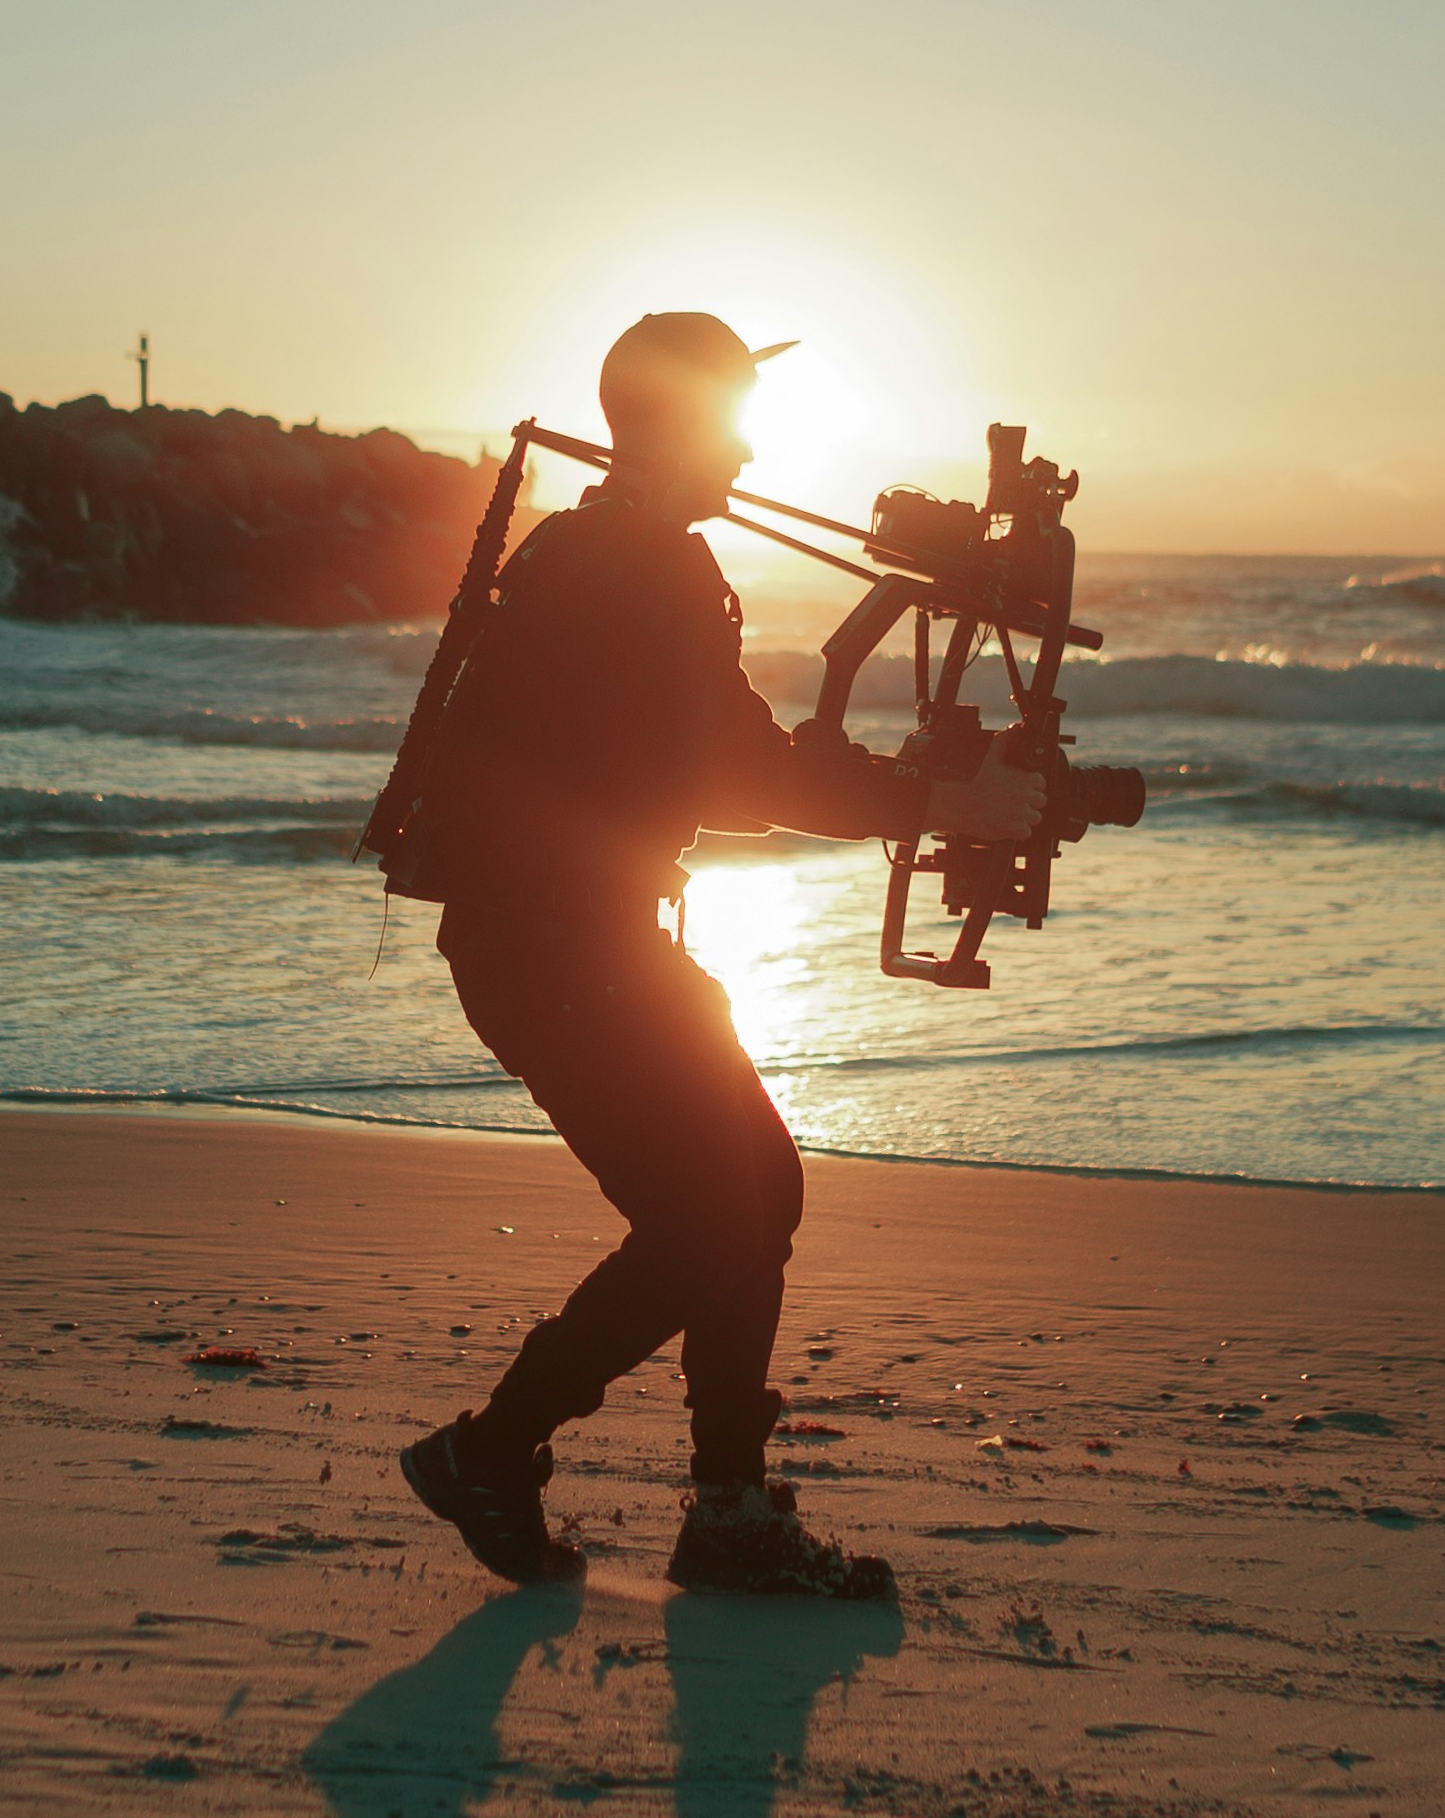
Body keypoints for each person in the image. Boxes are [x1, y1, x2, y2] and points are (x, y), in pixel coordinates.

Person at [395, 312, 1043, 1596]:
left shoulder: (609, 553)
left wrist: (908, 795)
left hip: (571, 941)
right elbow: (732, 763)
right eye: (732, 417)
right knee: (714, 1220)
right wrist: (929, 804)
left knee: (753, 1193)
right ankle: (545, 1464)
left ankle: (694, 1499)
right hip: (557, 950)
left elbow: (707, 756)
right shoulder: (636, 569)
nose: (747, 448)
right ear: (680, 425)